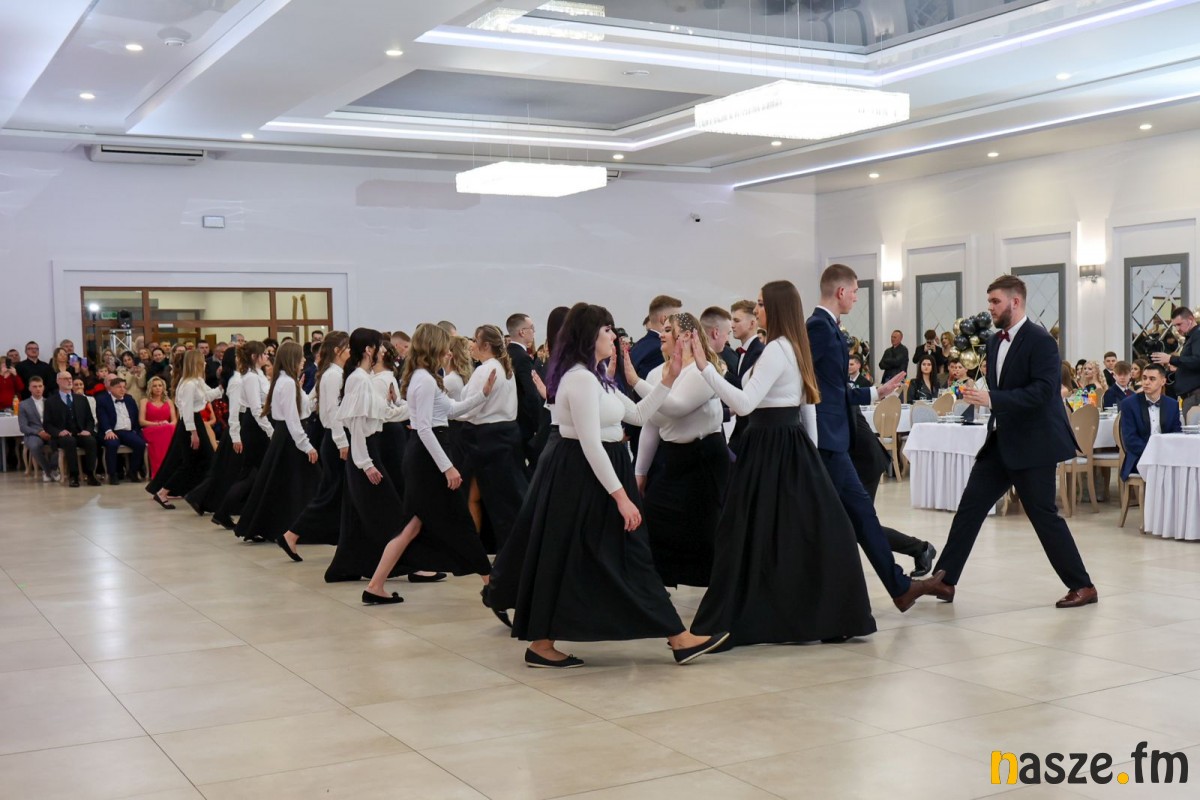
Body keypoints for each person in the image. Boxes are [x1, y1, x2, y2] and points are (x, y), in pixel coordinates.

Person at [513, 304, 727, 667]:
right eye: (607, 330)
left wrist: (669, 379)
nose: (614, 337)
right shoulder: (580, 379)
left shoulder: (596, 376)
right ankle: (676, 638)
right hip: (585, 477)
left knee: (605, 555)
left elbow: (640, 415)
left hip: (600, 473)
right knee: (611, 554)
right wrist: (622, 498)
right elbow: (589, 443)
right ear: (589, 335)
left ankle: (544, 643)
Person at [685, 281, 877, 647]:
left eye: (760, 303)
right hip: (785, 445)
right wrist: (812, 454)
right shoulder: (791, 346)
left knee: (750, 531)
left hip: (770, 446)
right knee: (787, 532)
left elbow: (744, 404)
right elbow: (808, 407)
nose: (756, 309)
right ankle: (814, 614)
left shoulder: (776, 349)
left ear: (774, 308)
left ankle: (753, 615)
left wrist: (705, 369)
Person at [930, 274, 1097, 609]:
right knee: (970, 508)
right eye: (989, 301)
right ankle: (945, 580)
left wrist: (993, 399)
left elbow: (1043, 392)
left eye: (995, 301)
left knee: (1043, 516)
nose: (990, 308)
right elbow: (1002, 389)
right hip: (1001, 441)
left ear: (1015, 301)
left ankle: (1083, 586)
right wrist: (983, 399)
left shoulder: (1042, 341)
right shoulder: (994, 341)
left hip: (1035, 443)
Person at [808, 266, 948, 611]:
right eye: (855, 291)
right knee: (853, 518)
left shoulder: (828, 327)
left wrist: (876, 391)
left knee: (859, 517)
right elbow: (812, 385)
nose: (857, 297)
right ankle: (895, 587)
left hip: (835, 440)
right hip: (826, 440)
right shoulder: (819, 327)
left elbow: (834, 387)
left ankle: (899, 587)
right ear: (841, 292)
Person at [357, 323, 495, 604]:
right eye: (445, 347)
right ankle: (493, 585)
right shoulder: (425, 379)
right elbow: (424, 428)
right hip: (428, 459)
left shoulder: (427, 378)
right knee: (456, 520)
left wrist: (482, 395)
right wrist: (447, 467)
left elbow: (450, 410)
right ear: (433, 347)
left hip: (428, 455)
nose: (449, 352)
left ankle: (375, 585)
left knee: (413, 525)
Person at [632, 312, 729, 588]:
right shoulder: (656, 373)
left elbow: (676, 407)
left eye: (667, 329)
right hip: (673, 457)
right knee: (655, 515)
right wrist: (640, 471)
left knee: (706, 528)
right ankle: (658, 584)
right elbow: (652, 422)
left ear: (685, 336)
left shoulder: (704, 369)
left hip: (704, 458)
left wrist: (634, 381)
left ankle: (719, 588)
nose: (661, 334)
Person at [234, 342, 320, 545]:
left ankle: (287, 527)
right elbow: (293, 418)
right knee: (300, 483)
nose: (304, 360)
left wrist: (315, 391)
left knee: (283, 484)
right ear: (292, 359)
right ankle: (295, 529)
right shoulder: (287, 383)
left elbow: (303, 408)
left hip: (287, 436)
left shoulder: (287, 381)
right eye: (300, 357)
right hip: (291, 437)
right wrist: (306, 445)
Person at [280, 332, 351, 560]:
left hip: (335, 438)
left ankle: (342, 540)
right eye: (348, 347)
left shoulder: (333, 373)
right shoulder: (333, 375)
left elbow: (313, 403)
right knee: (329, 494)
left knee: (335, 493)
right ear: (338, 350)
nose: (351, 351)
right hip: (336, 439)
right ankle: (291, 534)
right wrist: (342, 441)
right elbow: (331, 412)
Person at [459, 324, 529, 554]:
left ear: (486, 345)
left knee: (500, 502)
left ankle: (505, 553)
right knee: (495, 497)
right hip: (506, 436)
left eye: (475, 340)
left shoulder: (486, 370)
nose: (471, 345)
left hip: (487, 440)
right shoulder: (503, 367)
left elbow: (468, 408)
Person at [146, 351, 223, 508]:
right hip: (190, 424)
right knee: (194, 462)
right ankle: (171, 493)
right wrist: (193, 433)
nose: (205, 363)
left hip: (196, 422)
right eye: (202, 361)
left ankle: (174, 493)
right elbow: (187, 410)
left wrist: (224, 385)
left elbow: (209, 395)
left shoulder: (197, 381)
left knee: (198, 461)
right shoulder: (188, 384)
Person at [211, 342, 274, 529]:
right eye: (264, 353)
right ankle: (225, 511)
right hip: (255, 427)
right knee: (252, 474)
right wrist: (270, 431)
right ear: (254, 357)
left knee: (254, 474)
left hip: (258, 424)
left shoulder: (258, 374)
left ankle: (233, 512)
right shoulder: (250, 378)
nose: (267, 356)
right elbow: (255, 409)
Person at [1119, 363, 1181, 481]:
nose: (1146, 382)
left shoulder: (1172, 404)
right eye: (1144, 378)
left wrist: (1165, 454)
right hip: (1140, 457)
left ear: (1163, 381)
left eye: (1152, 379)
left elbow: (1176, 434)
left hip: (1166, 456)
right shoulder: (1129, 404)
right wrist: (1154, 454)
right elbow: (1130, 439)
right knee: (1158, 471)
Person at [43, 371, 99, 487]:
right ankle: (73, 476)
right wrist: (59, 432)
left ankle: (90, 474)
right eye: (65, 379)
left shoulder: (81, 399)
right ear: (58, 381)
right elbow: (47, 424)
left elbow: (90, 419)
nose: (69, 381)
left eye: (70, 378)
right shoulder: (50, 401)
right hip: (62, 435)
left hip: (80, 432)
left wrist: (88, 430)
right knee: (69, 441)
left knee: (91, 441)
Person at [726, 298, 765, 453]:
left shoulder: (759, 352)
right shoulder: (742, 352)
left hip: (752, 432)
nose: (732, 325)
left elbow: (746, 390)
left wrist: (723, 373)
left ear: (752, 323)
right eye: (732, 320)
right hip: (741, 429)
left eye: (736, 320)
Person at [505, 313, 544, 469]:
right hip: (524, 422)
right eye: (531, 328)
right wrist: (538, 424)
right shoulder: (522, 357)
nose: (534, 332)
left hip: (511, 418)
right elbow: (531, 393)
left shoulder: (507, 354)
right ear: (522, 332)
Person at [95, 377, 146, 485]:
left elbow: (135, 415)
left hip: (127, 431)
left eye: (124, 387)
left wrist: (135, 430)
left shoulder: (129, 399)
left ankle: (133, 471)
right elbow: (102, 417)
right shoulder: (102, 399)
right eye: (119, 387)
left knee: (140, 444)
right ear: (111, 388)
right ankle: (112, 474)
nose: (122, 389)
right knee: (112, 444)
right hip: (112, 430)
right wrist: (108, 430)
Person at [1152, 306, 1200, 417]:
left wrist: (1171, 359)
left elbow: (1198, 361)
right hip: (1190, 395)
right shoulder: (1192, 336)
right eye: (1175, 326)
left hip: (1195, 396)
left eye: (1179, 324)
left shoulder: (1197, 335)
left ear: (1190, 319)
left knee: (1192, 427)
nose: (1177, 329)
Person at [628, 295, 682, 379]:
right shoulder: (660, 349)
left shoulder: (638, 345)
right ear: (664, 319)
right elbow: (654, 384)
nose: (680, 322)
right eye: (677, 318)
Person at [17, 376, 58, 481]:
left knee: (61, 442)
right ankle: (48, 471)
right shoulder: (23, 404)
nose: (38, 389)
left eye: (40, 386)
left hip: (50, 432)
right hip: (33, 433)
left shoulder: (50, 402)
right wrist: (39, 432)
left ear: (43, 387)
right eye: (34, 387)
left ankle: (53, 468)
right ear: (29, 388)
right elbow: (23, 427)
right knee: (34, 446)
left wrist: (51, 431)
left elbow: (56, 422)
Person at [139, 376, 176, 479]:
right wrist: (158, 424)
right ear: (150, 388)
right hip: (150, 429)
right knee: (167, 430)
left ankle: (171, 470)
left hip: (166, 428)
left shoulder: (169, 401)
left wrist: (167, 424)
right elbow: (141, 421)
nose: (158, 388)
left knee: (170, 429)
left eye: (160, 385)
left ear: (163, 387)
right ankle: (159, 472)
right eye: (154, 386)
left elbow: (174, 421)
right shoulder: (144, 401)